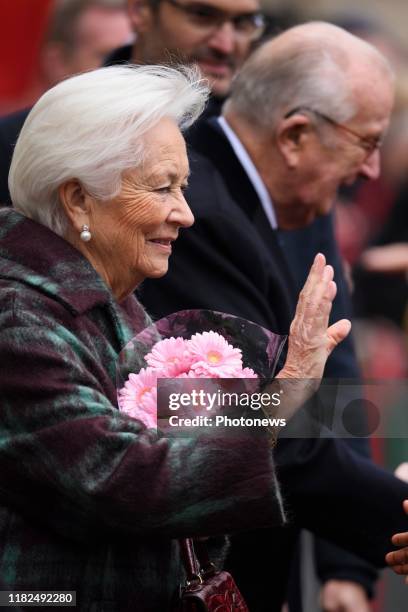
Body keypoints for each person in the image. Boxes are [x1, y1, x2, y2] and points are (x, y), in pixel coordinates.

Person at [0, 63, 354, 610]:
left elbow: (181, 430)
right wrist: (282, 398)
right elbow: (119, 477)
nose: (185, 214)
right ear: (77, 199)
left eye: (182, 187)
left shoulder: (110, 301)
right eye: (162, 187)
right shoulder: (18, 320)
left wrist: (284, 390)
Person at [139, 22, 395, 611]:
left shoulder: (283, 203)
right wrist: (395, 513)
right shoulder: (203, 218)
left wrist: (345, 564)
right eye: (367, 142)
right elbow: (236, 415)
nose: (373, 170)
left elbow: (328, 386)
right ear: (296, 136)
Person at [0, 0, 132, 205]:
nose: (125, 70)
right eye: (109, 57)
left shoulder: (166, 137)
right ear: (58, 62)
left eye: (130, 55)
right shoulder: (8, 143)